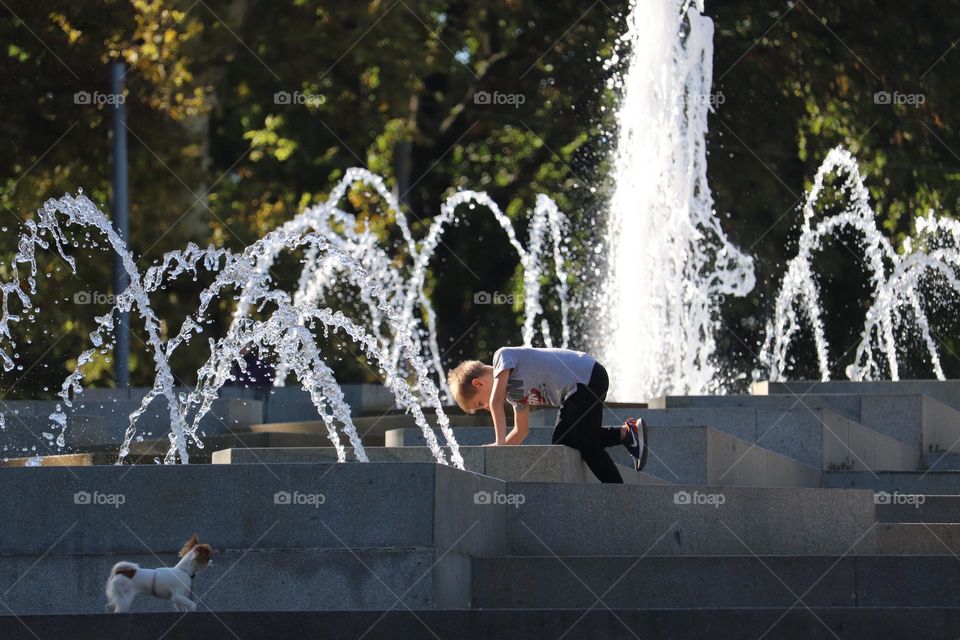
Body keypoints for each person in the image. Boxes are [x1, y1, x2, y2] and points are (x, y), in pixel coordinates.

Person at [447, 346, 648, 483]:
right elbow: (520, 431)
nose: (486, 407)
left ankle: (618, 492)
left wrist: (498, 442)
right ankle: (625, 434)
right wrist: (498, 452)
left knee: (587, 444)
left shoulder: (502, 356)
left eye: (480, 403)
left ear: (478, 383)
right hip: (572, 394)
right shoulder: (514, 396)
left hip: (586, 378)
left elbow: (495, 401)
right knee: (563, 442)